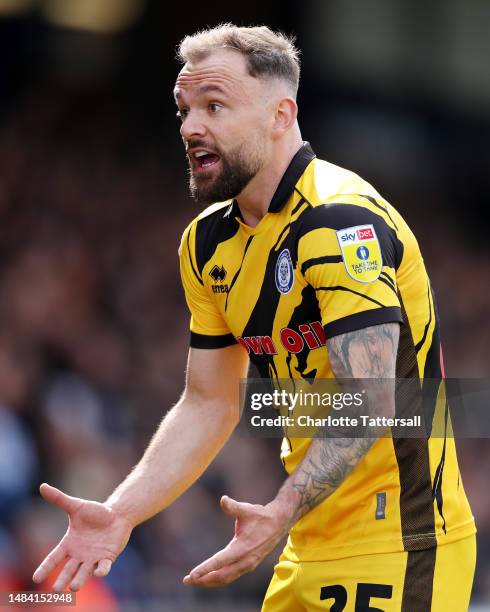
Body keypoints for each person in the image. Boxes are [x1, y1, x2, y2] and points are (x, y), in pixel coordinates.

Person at [33, 24, 476, 610]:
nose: (191, 126)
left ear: (280, 114)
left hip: (402, 543)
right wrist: (121, 512)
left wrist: (279, 512)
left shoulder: (339, 221)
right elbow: (209, 401)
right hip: (304, 544)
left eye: (214, 106)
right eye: (184, 108)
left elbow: (372, 399)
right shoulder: (206, 245)